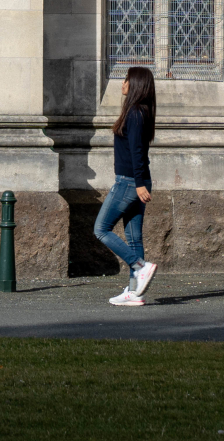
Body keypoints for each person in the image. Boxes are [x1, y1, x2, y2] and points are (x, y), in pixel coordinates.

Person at [96, 65, 158, 306]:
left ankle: (140, 266)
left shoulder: (135, 112)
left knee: (101, 229)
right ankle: (135, 292)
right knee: (133, 238)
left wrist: (140, 184)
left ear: (136, 85)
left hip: (130, 182)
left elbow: (137, 151)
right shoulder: (139, 112)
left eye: (126, 79)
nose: (122, 83)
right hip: (136, 182)